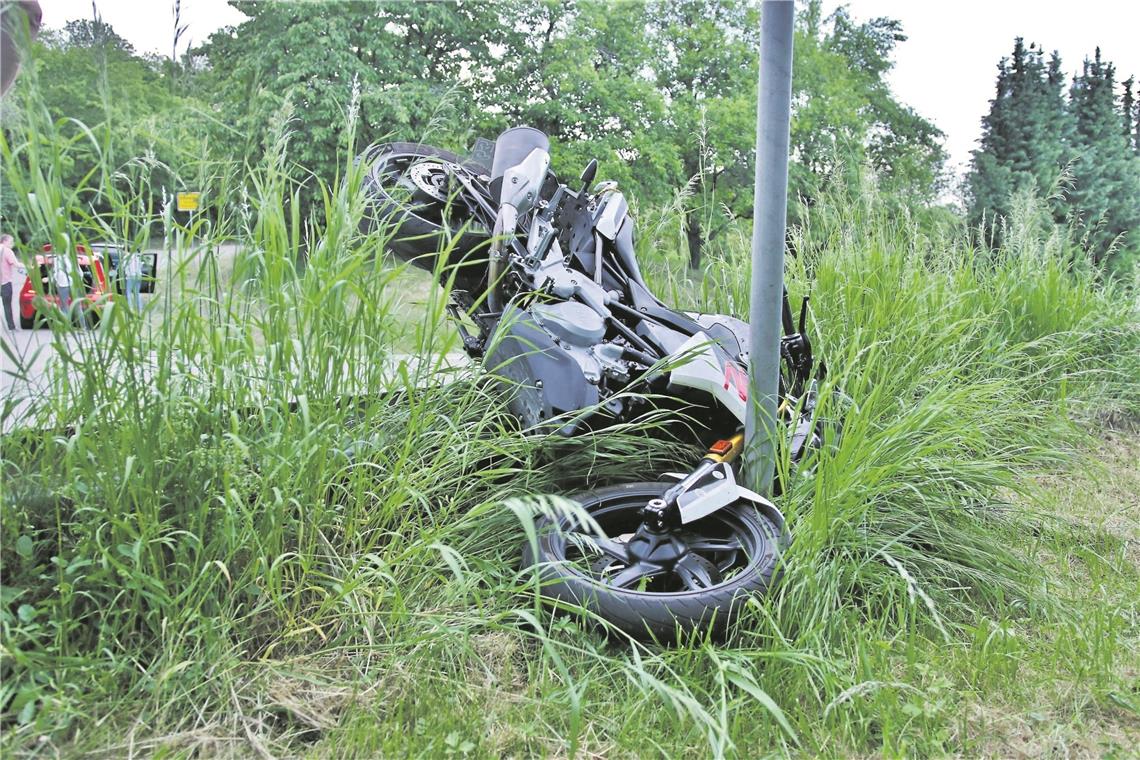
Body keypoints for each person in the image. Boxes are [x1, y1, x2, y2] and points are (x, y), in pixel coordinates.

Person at [1, 233, 19, 329]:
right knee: (7, 305)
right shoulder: (7, 251)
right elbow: (16, 264)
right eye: (11, 242)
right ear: (4, 241)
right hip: (5, 283)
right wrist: (30, 267)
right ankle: (11, 327)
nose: (12, 244)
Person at [53, 247, 74, 317]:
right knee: (76, 307)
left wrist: (53, 279)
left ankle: (66, 324)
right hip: (70, 284)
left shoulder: (58, 259)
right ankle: (83, 326)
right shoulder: (70, 258)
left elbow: (59, 273)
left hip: (63, 284)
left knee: (64, 306)